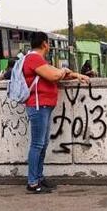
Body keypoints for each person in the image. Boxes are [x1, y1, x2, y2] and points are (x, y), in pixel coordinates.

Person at [22, 32, 90, 194]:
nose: (50, 45)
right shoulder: (33, 59)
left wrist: (74, 74)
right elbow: (54, 75)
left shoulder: (38, 60)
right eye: (49, 43)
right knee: (37, 144)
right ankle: (32, 182)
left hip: (44, 106)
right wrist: (64, 70)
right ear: (45, 43)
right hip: (38, 106)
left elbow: (56, 74)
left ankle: (39, 177)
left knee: (42, 144)